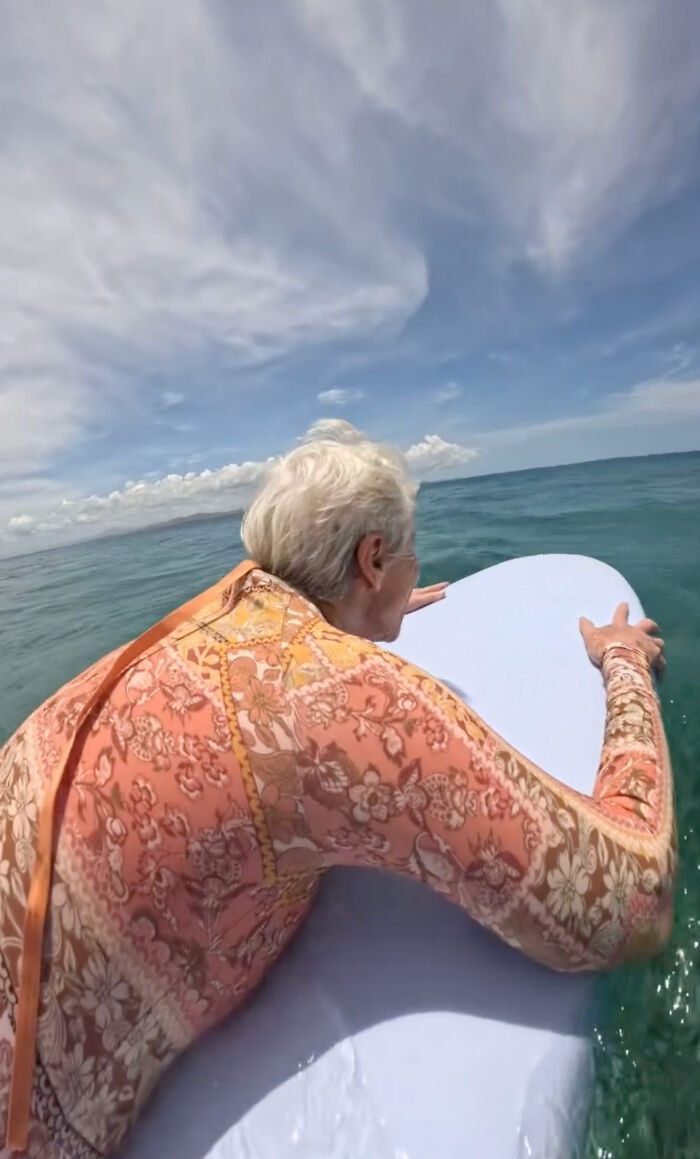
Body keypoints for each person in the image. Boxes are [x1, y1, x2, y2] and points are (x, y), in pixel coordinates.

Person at [0, 421, 675, 1158]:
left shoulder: (176, 638)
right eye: (409, 554)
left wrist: (356, 611)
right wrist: (623, 667)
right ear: (374, 558)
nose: (420, 568)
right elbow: (628, 902)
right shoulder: (333, 692)